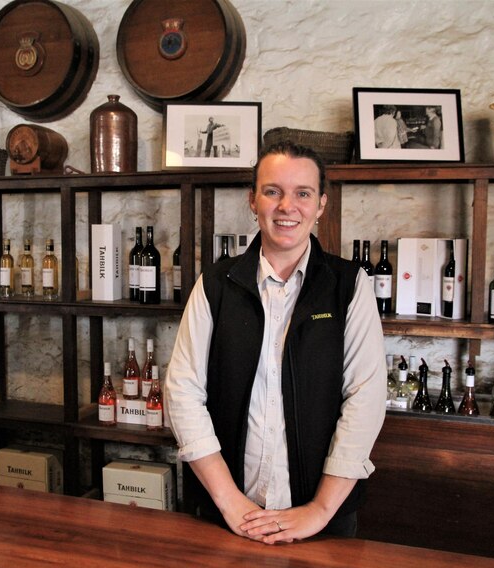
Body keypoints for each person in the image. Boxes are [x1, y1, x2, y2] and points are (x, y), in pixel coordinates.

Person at [164, 141, 387, 545]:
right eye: (273, 191)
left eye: (302, 193)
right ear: (253, 201)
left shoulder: (349, 286)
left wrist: (318, 510)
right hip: (225, 513)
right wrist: (229, 501)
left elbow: (365, 399)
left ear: (321, 204)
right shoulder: (216, 283)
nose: (287, 206)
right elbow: (182, 391)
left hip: (321, 518)